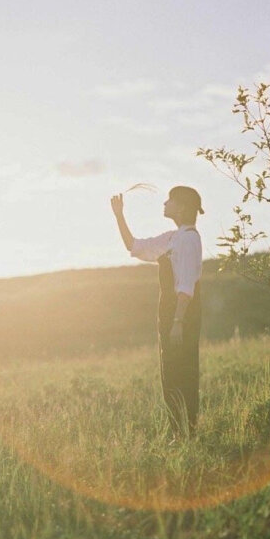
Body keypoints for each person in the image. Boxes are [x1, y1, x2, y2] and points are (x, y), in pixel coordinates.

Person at [111, 186, 203, 437]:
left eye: (170, 200)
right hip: (170, 313)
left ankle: (186, 433)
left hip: (180, 313)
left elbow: (185, 286)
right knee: (170, 373)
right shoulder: (173, 238)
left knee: (182, 372)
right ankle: (179, 432)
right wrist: (119, 216)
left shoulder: (188, 239)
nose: (165, 203)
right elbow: (135, 245)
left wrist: (178, 321)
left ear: (182, 208)